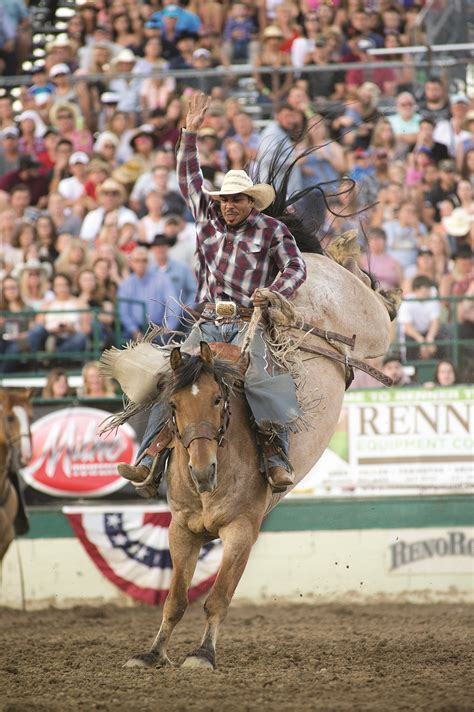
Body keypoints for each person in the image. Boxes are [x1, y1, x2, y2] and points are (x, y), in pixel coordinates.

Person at [118, 93, 307, 492]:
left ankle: (276, 458)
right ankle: (150, 457)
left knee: (263, 378)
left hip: (247, 322)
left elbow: (296, 267)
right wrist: (190, 132)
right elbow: (188, 177)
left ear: (250, 201)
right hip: (205, 322)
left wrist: (272, 292)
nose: (227, 206)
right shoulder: (206, 217)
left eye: (236, 200)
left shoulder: (272, 231)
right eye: (223, 200)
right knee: (171, 381)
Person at [117, 246, 178, 340]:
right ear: (131, 263)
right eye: (137, 260)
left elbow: (173, 303)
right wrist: (135, 331)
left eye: (144, 260)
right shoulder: (126, 284)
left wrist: (170, 327)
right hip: (133, 332)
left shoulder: (162, 280)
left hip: (158, 329)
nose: (141, 264)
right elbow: (123, 312)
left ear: (148, 262)